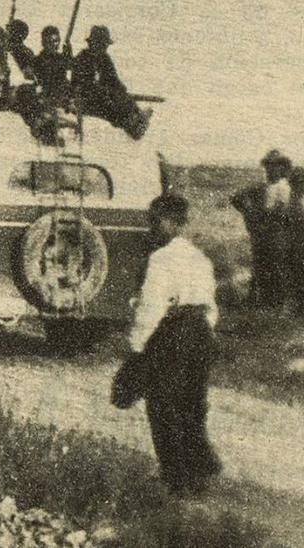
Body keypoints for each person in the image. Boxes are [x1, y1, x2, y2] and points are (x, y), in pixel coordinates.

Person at [117, 194, 221, 497]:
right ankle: (198, 475)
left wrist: (137, 347)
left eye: (157, 221)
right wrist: (200, 331)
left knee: (163, 406)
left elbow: (152, 307)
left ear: (175, 223)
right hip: (200, 333)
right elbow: (211, 307)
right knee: (192, 404)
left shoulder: (161, 259)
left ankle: (177, 480)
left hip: (173, 332)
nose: (152, 228)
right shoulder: (199, 258)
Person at [232, 150, 294, 308]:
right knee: (261, 264)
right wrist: (248, 209)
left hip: (276, 232)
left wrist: (254, 212)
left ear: (282, 168)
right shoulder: (264, 187)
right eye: (267, 166)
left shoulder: (283, 187)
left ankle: (275, 302)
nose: (269, 170)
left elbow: (279, 212)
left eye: (274, 166)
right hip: (262, 232)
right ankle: (258, 299)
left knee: (274, 265)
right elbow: (237, 198)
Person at [72, 26, 151, 139]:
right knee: (110, 105)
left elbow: (113, 79)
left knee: (123, 97)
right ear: (93, 43)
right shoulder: (83, 58)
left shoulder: (105, 58)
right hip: (86, 98)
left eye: (105, 45)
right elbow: (84, 85)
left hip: (102, 94)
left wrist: (121, 90)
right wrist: (107, 91)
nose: (104, 47)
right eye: (101, 44)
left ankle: (137, 117)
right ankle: (131, 124)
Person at [32, 25, 72, 103]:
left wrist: (69, 54)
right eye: (50, 41)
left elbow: (70, 66)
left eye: (56, 41)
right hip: (46, 93)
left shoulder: (60, 57)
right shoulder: (38, 60)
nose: (54, 44)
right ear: (43, 42)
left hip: (61, 92)